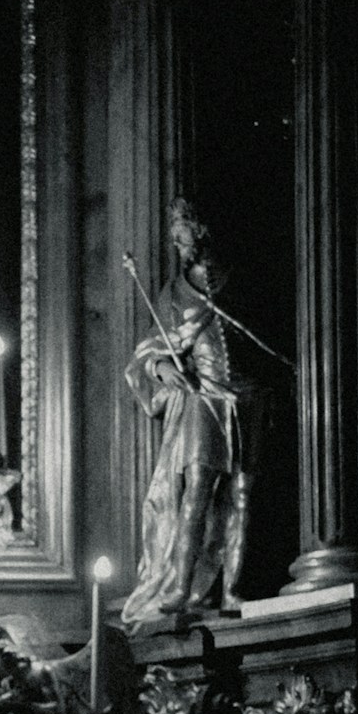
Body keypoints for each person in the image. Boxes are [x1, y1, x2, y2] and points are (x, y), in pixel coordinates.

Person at [119, 200, 260, 628]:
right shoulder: (173, 292)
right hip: (203, 397)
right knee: (196, 489)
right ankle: (180, 584)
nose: (178, 243)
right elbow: (149, 349)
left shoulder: (238, 283)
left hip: (248, 398)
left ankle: (234, 588)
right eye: (175, 236)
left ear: (202, 232)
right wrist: (162, 367)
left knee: (241, 495)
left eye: (184, 233)